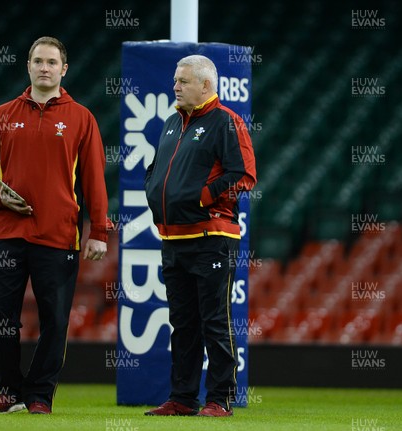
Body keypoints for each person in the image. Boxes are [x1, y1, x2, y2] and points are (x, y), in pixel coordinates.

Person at [0, 36, 109, 415]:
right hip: (5, 234)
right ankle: (8, 390)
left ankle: (38, 395)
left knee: (55, 319)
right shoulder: (1, 113)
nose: (44, 67)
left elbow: (94, 178)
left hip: (58, 235)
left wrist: (99, 230)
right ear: (27, 66)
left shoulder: (82, 117)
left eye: (52, 62)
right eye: (38, 61)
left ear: (64, 69)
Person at [144, 54, 256, 417]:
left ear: (206, 85)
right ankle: (183, 398)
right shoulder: (171, 123)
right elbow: (157, 169)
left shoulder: (227, 121)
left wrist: (201, 198)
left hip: (211, 236)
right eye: (175, 80)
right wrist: (152, 189)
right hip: (173, 237)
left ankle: (220, 398)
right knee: (183, 323)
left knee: (214, 321)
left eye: (182, 81)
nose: (174, 86)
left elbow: (244, 176)